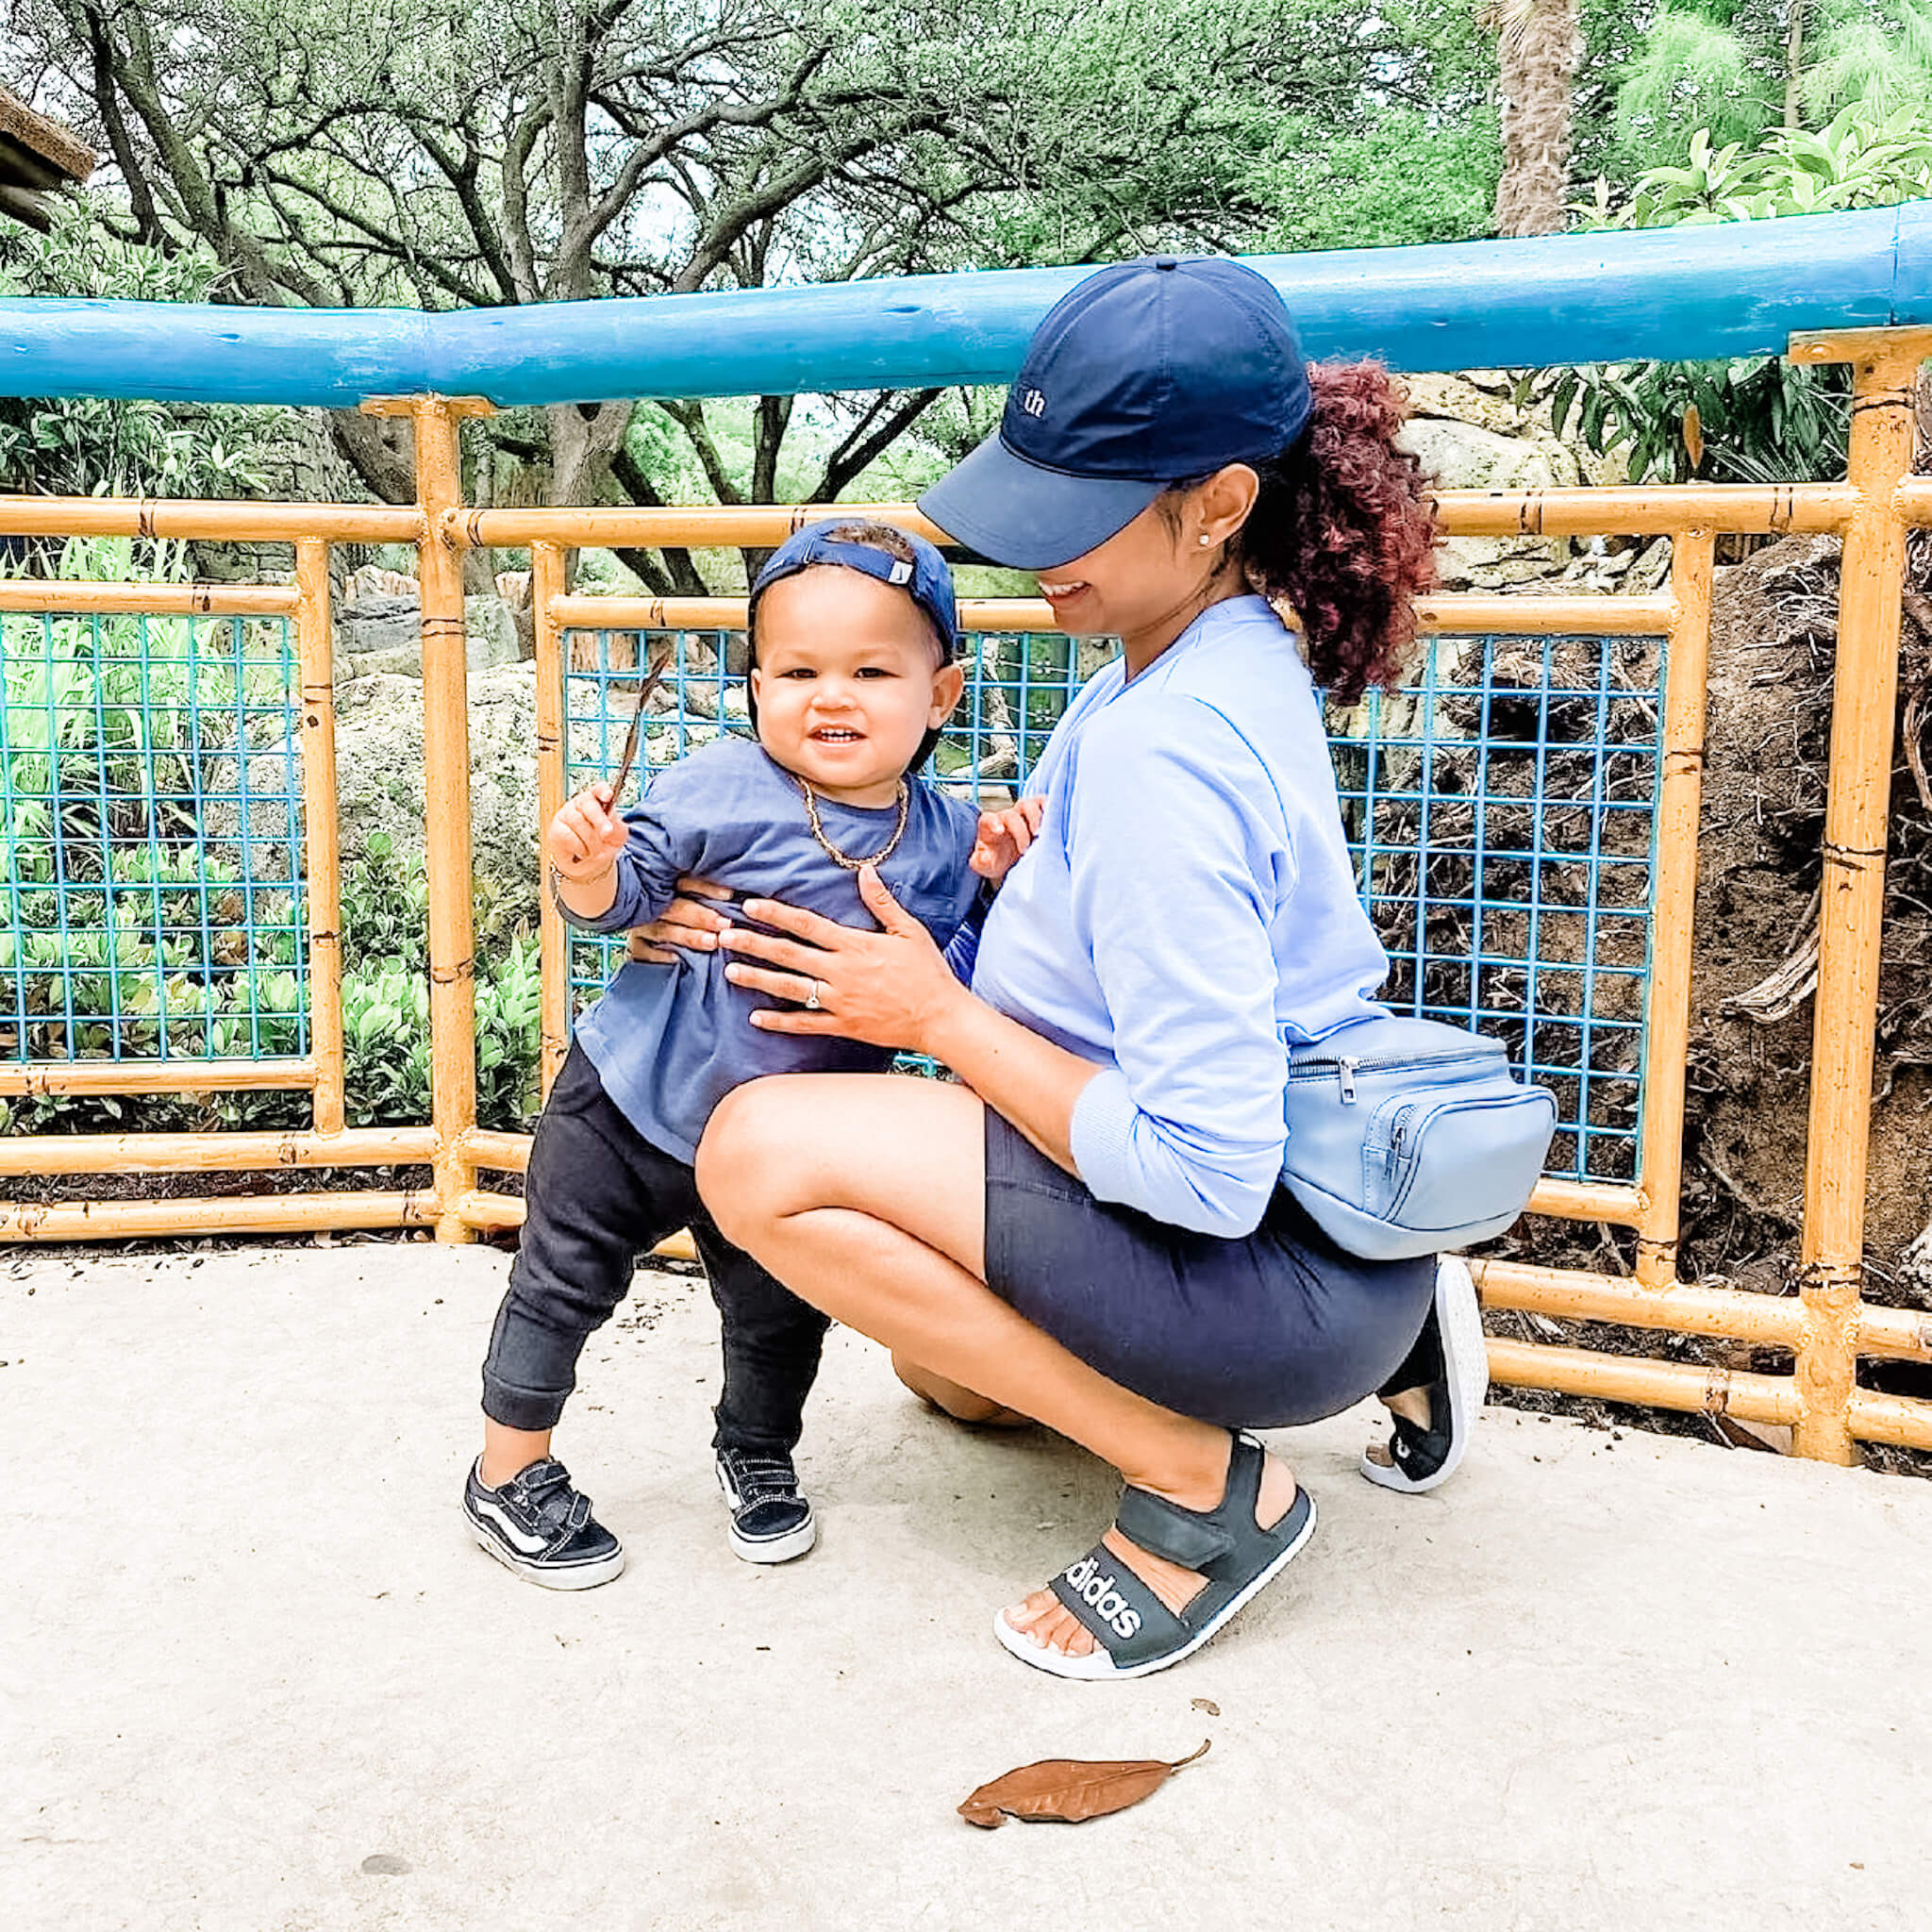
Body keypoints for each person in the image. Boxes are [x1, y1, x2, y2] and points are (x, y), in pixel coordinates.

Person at [666, 256, 1489, 1678]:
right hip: (1317, 1214)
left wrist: (931, 1012)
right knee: (952, 1381)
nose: (1040, 549)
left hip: (1262, 1257)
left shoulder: (1161, 745)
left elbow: (1207, 1170)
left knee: (752, 1157)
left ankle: (1203, 1489)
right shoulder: (1203, 654)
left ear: (1222, 501)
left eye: (1083, 509)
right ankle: (1408, 1314)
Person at [463, 521, 999, 1588]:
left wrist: (1001, 873)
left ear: (938, 694)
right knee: (561, 1280)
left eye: (869, 670)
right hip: (628, 1100)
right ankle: (505, 1469)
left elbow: (968, 973)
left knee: (778, 1312)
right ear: (755, 687)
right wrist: (588, 869)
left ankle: (756, 1450)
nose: (829, 695)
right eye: (797, 670)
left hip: (794, 1144)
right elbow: (626, 896)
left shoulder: (947, 835)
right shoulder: (718, 780)